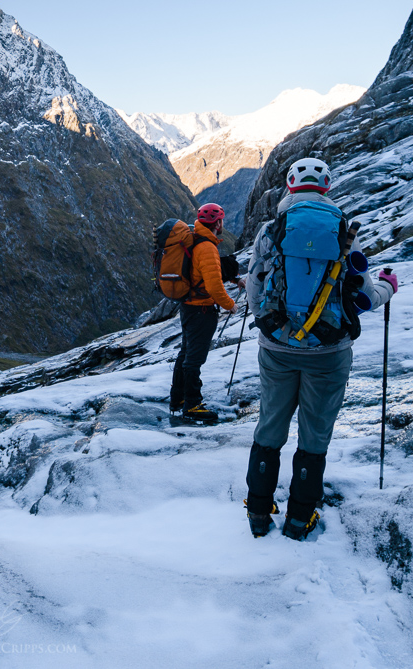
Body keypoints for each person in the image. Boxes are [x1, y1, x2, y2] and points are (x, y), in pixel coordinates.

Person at [243, 157, 398, 539]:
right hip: (329, 353)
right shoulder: (344, 233)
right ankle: (300, 519)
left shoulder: (270, 229)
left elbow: (255, 287)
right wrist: (388, 287)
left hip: (276, 348)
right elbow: (361, 298)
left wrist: (276, 326)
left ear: (290, 187)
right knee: (315, 434)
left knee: (270, 426)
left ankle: (259, 512)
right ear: (326, 186)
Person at [170, 203, 242, 424]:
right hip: (201, 310)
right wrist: (230, 304)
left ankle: (178, 400)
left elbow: (205, 272)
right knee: (194, 358)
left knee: (185, 353)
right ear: (218, 223)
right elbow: (213, 287)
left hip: (189, 306)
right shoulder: (207, 247)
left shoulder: (196, 238)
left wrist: (232, 278)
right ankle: (193, 405)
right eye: (222, 220)